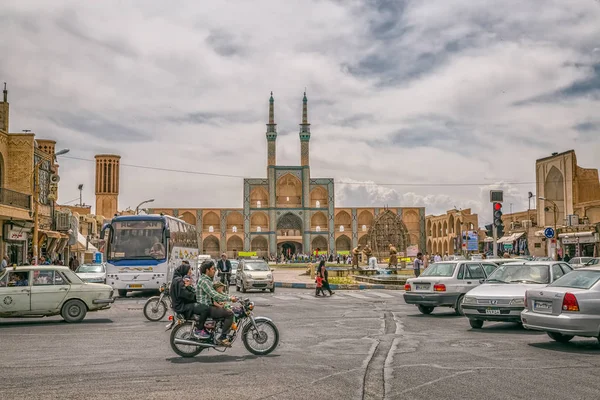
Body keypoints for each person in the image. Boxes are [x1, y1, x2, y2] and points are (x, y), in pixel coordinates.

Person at [197, 260, 237, 346]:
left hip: (208, 306)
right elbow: (214, 294)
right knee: (229, 313)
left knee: (225, 308)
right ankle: (222, 337)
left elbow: (217, 292)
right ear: (207, 270)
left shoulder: (207, 280)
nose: (214, 270)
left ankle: (219, 330)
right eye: (212, 269)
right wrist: (229, 298)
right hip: (206, 307)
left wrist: (228, 296)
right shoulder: (204, 281)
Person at [170, 263, 210, 339]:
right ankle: (200, 329)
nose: (190, 273)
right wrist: (196, 296)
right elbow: (185, 295)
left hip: (179, 304)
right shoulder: (179, 281)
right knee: (205, 308)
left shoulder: (177, 279)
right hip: (181, 306)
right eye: (189, 271)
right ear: (184, 271)